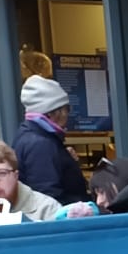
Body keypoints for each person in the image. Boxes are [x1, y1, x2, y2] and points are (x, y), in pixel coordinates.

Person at [13, 76, 90, 204]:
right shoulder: (40, 144)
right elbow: (48, 197)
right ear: (53, 112)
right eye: (67, 109)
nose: (68, 114)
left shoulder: (33, 135)